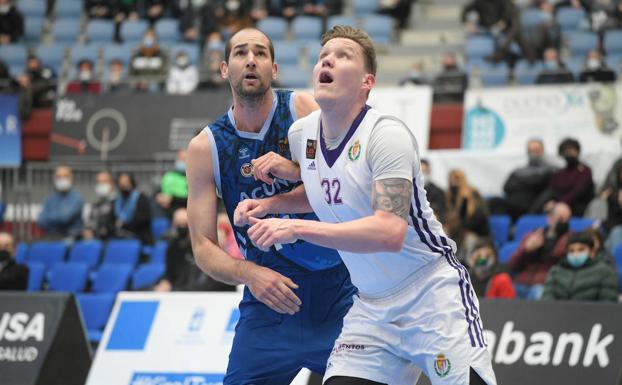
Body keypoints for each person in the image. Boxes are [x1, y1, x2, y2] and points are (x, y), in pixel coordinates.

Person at [236, 25, 496, 385]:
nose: (328, 58)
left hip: (432, 295)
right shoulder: (302, 135)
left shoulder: (386, 135)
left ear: (366, 82)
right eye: (324, 54)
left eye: (343, 55)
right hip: (371, 308)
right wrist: (270, 204)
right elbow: (329, 190)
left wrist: (294, 226)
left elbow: (389, 231)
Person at [185, 27, 356, 385]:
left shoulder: (302, 111)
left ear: (274, 69)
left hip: (337, 292)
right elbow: (202, 248)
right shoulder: (207, 147)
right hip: (268, 299)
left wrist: (289, 176)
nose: (251, 60)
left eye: (261, 53)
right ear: (223, 69)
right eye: (241, 53)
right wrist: (250, 275)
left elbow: (342, 190)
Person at [153, 208, 237, 291]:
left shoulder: (204, 245)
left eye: (185, 224)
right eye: (178, 224)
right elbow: (169, 273)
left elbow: (210, 277)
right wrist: (165, 281)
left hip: (203, 291)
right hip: (178, 290)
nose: (182, 228)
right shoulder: (173, 247)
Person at [508, 202, 572, 300]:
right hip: (522, 281)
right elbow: (512, 264)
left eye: (566, 219)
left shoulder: (570, 239)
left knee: (539, 293)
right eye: (560, 218)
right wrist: (526, 250)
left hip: (545, 284)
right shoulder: (534, 235)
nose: (563, 222)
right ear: (550, 218)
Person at [489, 138, 555, 221]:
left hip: (532, 206)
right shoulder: (518, 170)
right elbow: (507, 187)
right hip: (512, 205)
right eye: (531, 151)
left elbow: (543, 186)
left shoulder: (550, 170)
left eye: (536, 150)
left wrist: (521, 182)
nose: (534, 154)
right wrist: (530, 183)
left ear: (542, 151)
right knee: (493, 202)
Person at [541, 231, 618, 301]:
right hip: (558, 314)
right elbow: (547, 299)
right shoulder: (555, 271)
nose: (576, 254)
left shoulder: (605, 272)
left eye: (581, 250)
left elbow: (607, 302)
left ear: (592, 252)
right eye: (571, 250)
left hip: (592, 315)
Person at [533, 137, 594, 216]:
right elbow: (551, 189)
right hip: (557, 205)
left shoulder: (585, 170)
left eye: (571, 150)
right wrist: (551, 203)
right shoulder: (559, 172)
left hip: (577, 206)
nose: (569, 154)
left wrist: (558, 203)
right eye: (565, 151)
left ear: (577, 151)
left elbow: (577, 191)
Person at [38, 165, 84, 239]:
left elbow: (65, 218)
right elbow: (41, 221)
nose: (62, 179)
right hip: (51, 237)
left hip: (71, 239)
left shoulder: (77, 198)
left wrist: (49, 217)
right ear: (54, 179)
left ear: (71, 178)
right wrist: (59, 216)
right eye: (59, 177)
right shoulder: (49, 199)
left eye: (65, 176)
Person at [114, 172, 153, 244]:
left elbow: (143, 219)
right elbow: (112, 220)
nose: (124, 185)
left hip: (140, 236)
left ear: (132, 182)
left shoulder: (141, 198)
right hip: (120, 236)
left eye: (126, 182)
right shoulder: (117, 200)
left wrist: (123, 225)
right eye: (121, 183)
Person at [83, 170, 116, 240]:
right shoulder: (92, 206)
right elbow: (88, 225)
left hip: (113, 241)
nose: (101, 185)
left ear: (112, 184)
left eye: (104, 181)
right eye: (99, 182)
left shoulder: (118, 204)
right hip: (95, 241)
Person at [156, 149, 189, 218]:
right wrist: (160, 197)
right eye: (180, 159)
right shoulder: (168, 176)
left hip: (186, 211)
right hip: (167, 211)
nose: (182, 162)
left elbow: (190, 198)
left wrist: (172, 199)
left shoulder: (194, 178)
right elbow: (159, 193)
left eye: (185, 159)